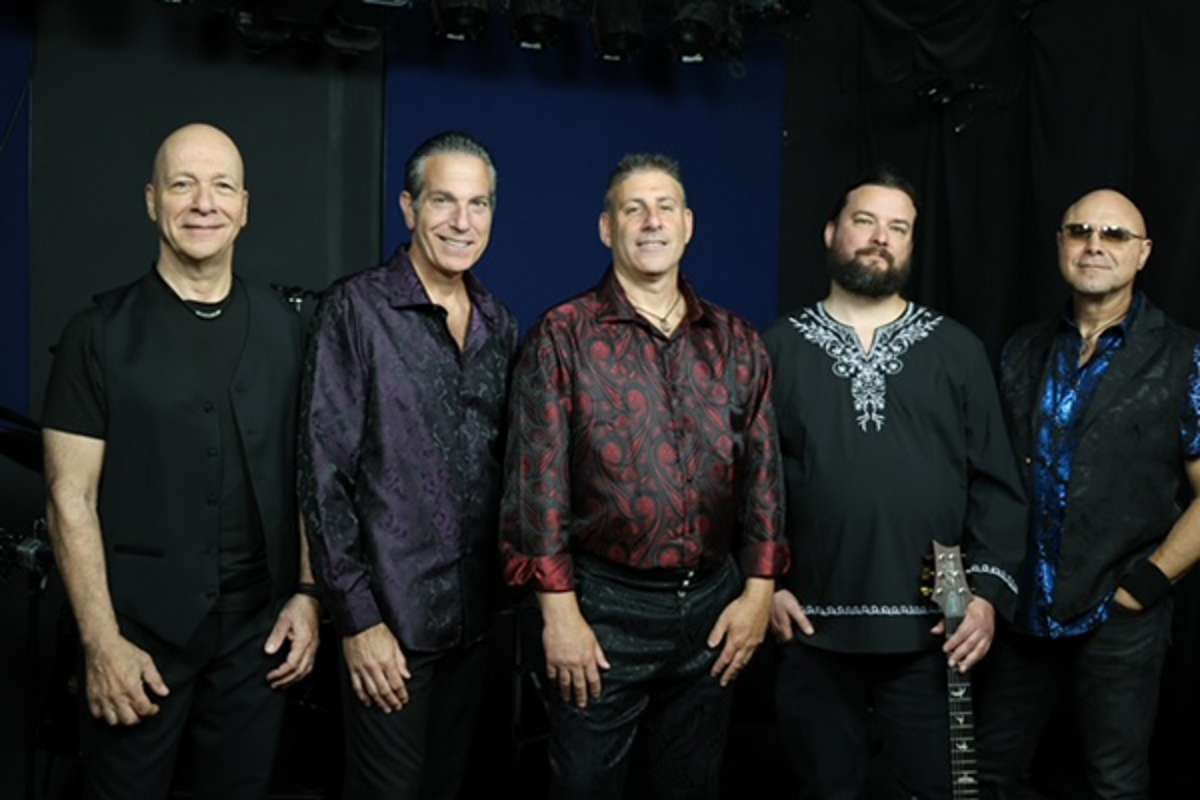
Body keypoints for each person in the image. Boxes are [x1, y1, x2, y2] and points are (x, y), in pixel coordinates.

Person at [42, 123, 319, 800]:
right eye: (183, 185)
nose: (204, 203)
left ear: (245, 208)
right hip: (137, 642)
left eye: (222, 187)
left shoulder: (290, 329)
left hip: (257, 643)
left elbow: (310, 474)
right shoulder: (95, 335)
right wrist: (101, 643)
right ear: (151, 201)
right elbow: (69, 498)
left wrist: (310, 595)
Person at [499, 153, 788, 800]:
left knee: (691, 786)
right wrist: (559, 617)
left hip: (713, 609)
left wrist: (758, 594)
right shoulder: (562, 336)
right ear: (608, 229)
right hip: (602, 610)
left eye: (665, 208)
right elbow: (536, 487)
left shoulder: (737, 341)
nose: (652, 222)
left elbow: (764, 477)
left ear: (688, 225)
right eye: (634, 209)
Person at [763, 169, 1026, 799]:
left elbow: (996, 485)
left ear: (910, 245)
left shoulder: (957, 350)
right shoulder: (773, 349)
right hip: (808, 630)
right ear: (831, 232)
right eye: (865, 221)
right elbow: (748, 485)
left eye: (898, 228)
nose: (881, 237)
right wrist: (761, 586)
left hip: (933, 634)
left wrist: (986, 597)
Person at [299, 131, 519, 800]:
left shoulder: (498, 323)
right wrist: (358, 621)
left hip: (476, 625)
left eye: (478, 204)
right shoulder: (355, 310)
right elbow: (322, 475)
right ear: (409, 207)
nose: (462, 221)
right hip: (390, 624)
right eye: (444, 201)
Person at [975, 189, 1200, 799]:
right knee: (990, 774)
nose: (1094, 244)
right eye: (1080, 231)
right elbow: (990, 477)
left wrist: (1143, 587)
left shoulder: (1184, 356)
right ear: (1060, 245)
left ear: (1143, 253)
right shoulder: (1022, 349)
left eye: (1115, 234)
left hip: (1120, 613)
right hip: (1020, 612)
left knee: (1114, 784)